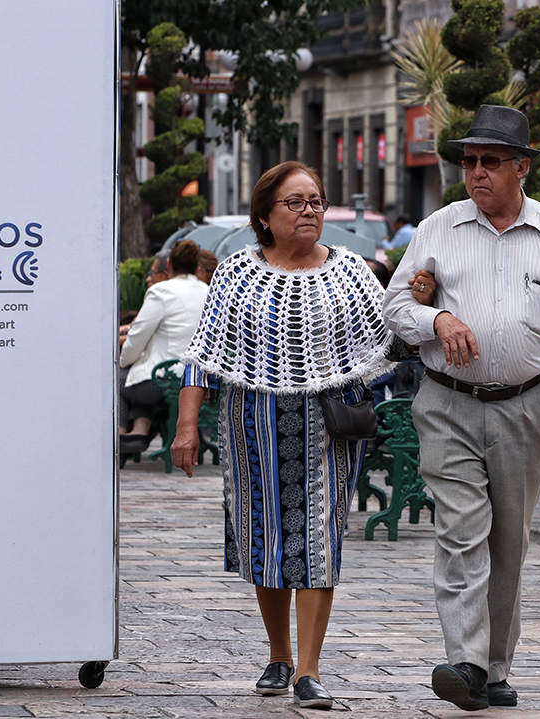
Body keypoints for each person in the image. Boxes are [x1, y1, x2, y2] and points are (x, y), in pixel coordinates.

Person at [383, 104, 540, 711]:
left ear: (521, 168)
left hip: (525, 408)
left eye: (489, 161)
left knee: (509, 541)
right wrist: (438, 316)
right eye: (469, 161)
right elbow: (393, 306)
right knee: (461, 531)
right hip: (447, 403)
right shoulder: (439, 227)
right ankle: (465, 662)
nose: (475, 172)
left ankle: (493, 668)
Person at [171, 162, 394, 709]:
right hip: (251, 423)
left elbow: (381, 348)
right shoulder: (236, 274)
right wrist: (185, 425)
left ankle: (310, 670)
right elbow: (204, 356)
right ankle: (279, 654)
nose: (309, 211)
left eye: (315, 201)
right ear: (266, 216)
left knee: (318, 538)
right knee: (266, 535)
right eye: (295, 203)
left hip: (328, 425)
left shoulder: (352, 273)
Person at [118, 239, 208, 453]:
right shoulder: (207, 290)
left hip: (163, 379)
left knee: (120, 378)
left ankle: (121, 434)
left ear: (169, 265)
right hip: (197, 378)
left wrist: (123, 362)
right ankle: (140, 431)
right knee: (137, 374)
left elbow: (137, 337)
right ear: (197, 267)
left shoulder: (161, 292)